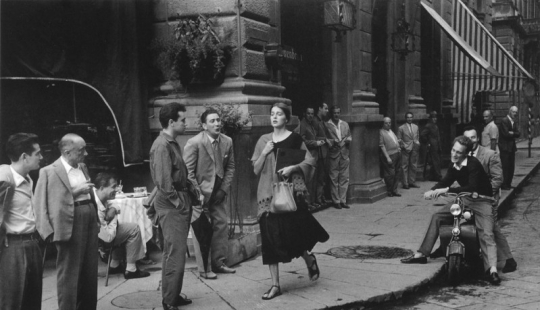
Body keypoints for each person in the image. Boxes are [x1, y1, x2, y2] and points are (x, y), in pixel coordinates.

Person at [251, 102, 329, 300]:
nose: (274, 117)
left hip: (290, 194)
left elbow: (310, 161)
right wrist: (264, 152)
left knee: (292, 235)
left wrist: (293, 168)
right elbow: (255, 169)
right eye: (272, 114)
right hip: (268, 196)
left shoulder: (295, 139)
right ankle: (275, 285)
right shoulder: (263, 140)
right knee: (270, 241)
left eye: (279, 114)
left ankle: (308, 258)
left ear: (287, 118)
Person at [400, 136, 502, 285]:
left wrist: (445, 190)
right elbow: (445, 181)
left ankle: (491, 270)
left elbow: (471, 187)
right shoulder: (453, 165)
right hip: (464, 199)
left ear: (466, 154)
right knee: (437, 216)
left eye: (459, 152)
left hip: (482, 200)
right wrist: (433, 191)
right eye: (453, 150)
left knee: (487, 233)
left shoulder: (473, 164)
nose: (454, 154)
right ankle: (421, 254)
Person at [34, 133, 99, 310]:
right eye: (81, 150)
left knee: (90, 270)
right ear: (67, 151)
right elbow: (39, 204)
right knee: (69, 273)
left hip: (89, 218)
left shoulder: (82, 167)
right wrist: (47, 233)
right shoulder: (49, 171)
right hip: (69, 223)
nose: (85, 153)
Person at [149, 102, 193, 310]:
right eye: (183, 120)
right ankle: (169, 300)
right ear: (171, 122)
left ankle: (172, 294)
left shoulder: (171, 142)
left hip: (177, 202)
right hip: (172, 205)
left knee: (175, 251)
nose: (186, 123)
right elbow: (164, 183)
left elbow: (178, 173)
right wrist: (179, 203)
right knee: (174, 253)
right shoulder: (161, 146)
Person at [184, 108, 236, 279]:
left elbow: (230, 167)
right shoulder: (195, 143)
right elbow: (188, 172)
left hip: (218, 193)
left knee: (221, 225)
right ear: (204, 125)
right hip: (200, 194)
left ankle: (219, 262)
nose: (217, 124)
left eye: (218, 120)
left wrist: (223, 189)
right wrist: (197, 193)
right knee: (202, 231)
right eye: (212, 121)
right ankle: (204, 269)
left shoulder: (227, 141)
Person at [462, 127, 517, 273]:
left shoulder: (489, 154)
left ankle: (509, 260)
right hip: (471, 198)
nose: (470, 141)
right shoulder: (463, 155)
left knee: (490, 227)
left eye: (473, 138)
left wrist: (482, 193)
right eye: (467, 138)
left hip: (488, 197)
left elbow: (498, 179)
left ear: (478, 138)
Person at [0, 133, 43, 310]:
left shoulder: (27, 179)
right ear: (24, 157)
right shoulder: (5, 176)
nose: (41, 157)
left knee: (32, 303)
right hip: (14, 248)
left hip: (32, 245)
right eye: (37, 153)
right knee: (12, 303)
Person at [94, 172, 150, 279]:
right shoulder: (97, 206)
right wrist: (114, 217)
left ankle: (115, 264)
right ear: (102, 188)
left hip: (102, 235)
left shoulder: (98, 195)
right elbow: (108, 238)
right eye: (113, 187)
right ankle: (131, 269)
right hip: (100, 242)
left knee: (121, 228)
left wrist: (113, 209)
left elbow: (114, 204)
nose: (117, 189)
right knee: (134, 229)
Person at [298, 106, 328, 209]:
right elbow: (302, 140)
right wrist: (315, 143)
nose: (310, 115)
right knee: (309, 180)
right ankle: (308, 203)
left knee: (315, 180)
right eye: (308, 113)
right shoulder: (303, 124)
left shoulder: (311, 124)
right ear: (304, 114)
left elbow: (315, 136)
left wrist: (322, 140)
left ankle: (313, 201)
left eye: (312, 114)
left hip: (316, 155)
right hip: (309, 155)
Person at [325, 106, 352, 209]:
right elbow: (325, 139)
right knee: (334, 178)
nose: (336, 114)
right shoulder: (327, 125)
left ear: (340, 113)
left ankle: (343, 200)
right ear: (332, 114)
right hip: (333, 153)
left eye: (338, 113)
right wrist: (333, 142)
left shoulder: (345, 124)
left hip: (344, 153)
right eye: (334, 113)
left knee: (344, 177)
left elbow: (349, 136)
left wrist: (348, 140)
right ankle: (336, 201)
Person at [380, 117, 402, 197]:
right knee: (390, 173)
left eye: (389, 122)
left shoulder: (391, 131)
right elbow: (382, 145)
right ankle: (389, 190)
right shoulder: (381, 132)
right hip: (390, 155)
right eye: (386, 123)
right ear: (383, 124)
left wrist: (398, 145)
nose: (388, 124)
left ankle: (394, 190)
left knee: (397, 172)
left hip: (397, 153)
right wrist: (387, 157)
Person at [499, 106, 520, 190]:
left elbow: (518, 133)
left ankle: (508, 184)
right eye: (513, 112)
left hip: (511, 148)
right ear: (509, 111)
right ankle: (504, 184)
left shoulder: (513, 122)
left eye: (516, 112)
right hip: (505, 147)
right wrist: (513, 133)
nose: (515, 114)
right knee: (505, 166)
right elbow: (506, 134)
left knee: (511, 166)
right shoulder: (505, 120)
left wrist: (512, 133)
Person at [398, 112, 420, 189]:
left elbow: (417, 137)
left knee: (413, 165)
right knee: (404, 166)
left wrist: (417, 143)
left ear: (412, 118)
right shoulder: (401, 128)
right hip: (405, 148)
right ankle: (405, 183)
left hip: (414, 148)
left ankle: (412, 182)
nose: (409, 119)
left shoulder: (416, 127)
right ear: (406, 118)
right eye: (408, 117)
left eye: (411, 117)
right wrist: (403, 146)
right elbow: (399, 139)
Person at [420, 111, 442, 181]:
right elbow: (422, 135)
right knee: (435, 161)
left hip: (436, 145)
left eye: (435, 117)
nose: (435, 119)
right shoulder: (428, 126)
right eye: (433, 117)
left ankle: (432, 177)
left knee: (435, 161)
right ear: (430, 118)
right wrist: (428, 142)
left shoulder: (435, 125)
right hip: (432, 146)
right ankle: (438, 176)